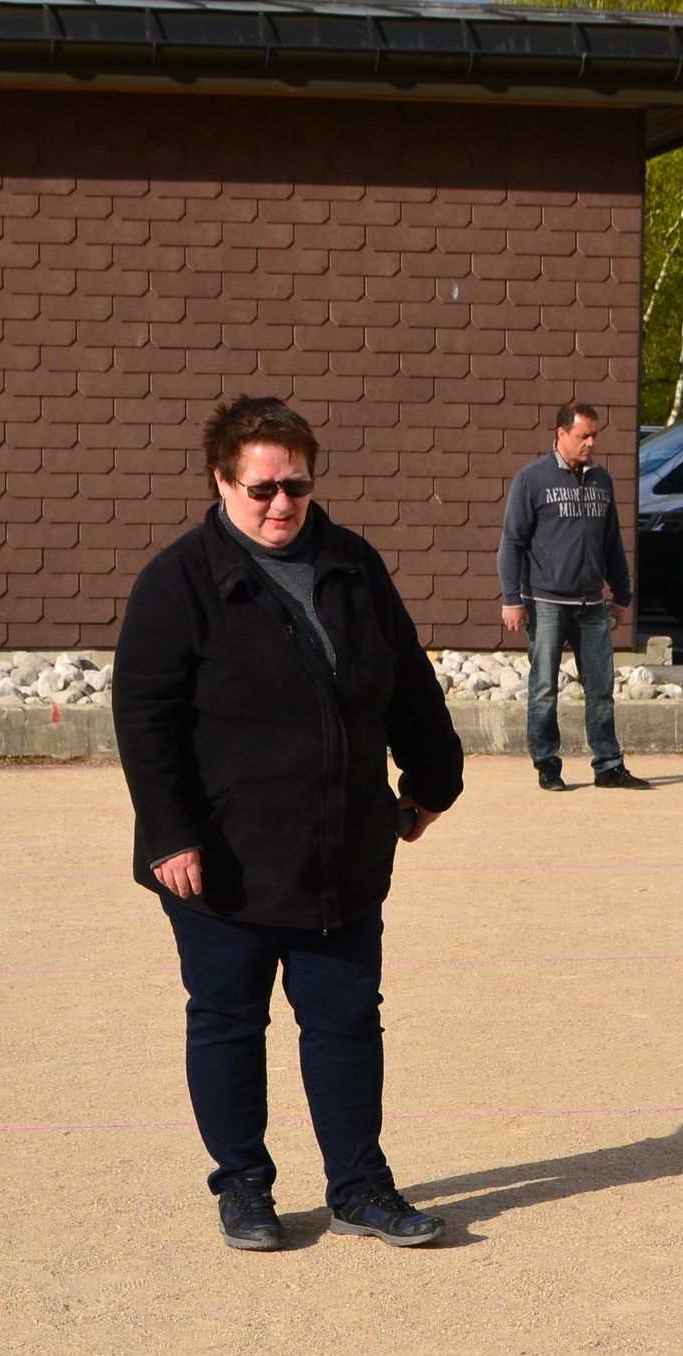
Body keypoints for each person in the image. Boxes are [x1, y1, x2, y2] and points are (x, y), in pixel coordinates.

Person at [115, 396, 466, 1253]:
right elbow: (145, 719)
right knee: (229, 1021)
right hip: (222, 859)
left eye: (297, 487)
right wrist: (169, 833)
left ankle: (360, 1187)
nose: (282, 504)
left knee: (346, 1020)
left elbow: (407, 684)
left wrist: (433, 781)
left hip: (340, 850)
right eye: (263, 488)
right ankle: (243, 1186)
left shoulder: (353, 564)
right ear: (221, 481)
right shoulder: (178, 581)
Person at [498, 401, 649, 790]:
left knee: (601, 689)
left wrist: (622, 595)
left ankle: (608, 765)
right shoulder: (532, 479)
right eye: (583, 435)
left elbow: (611, 542)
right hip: (546, 602)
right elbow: (512, 543)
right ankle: (547, 763)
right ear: (561, 433)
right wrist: (511, 598)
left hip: (592, 604)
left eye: (594, 435)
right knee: (544, 689)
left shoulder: (602, 480)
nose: (591, 443)